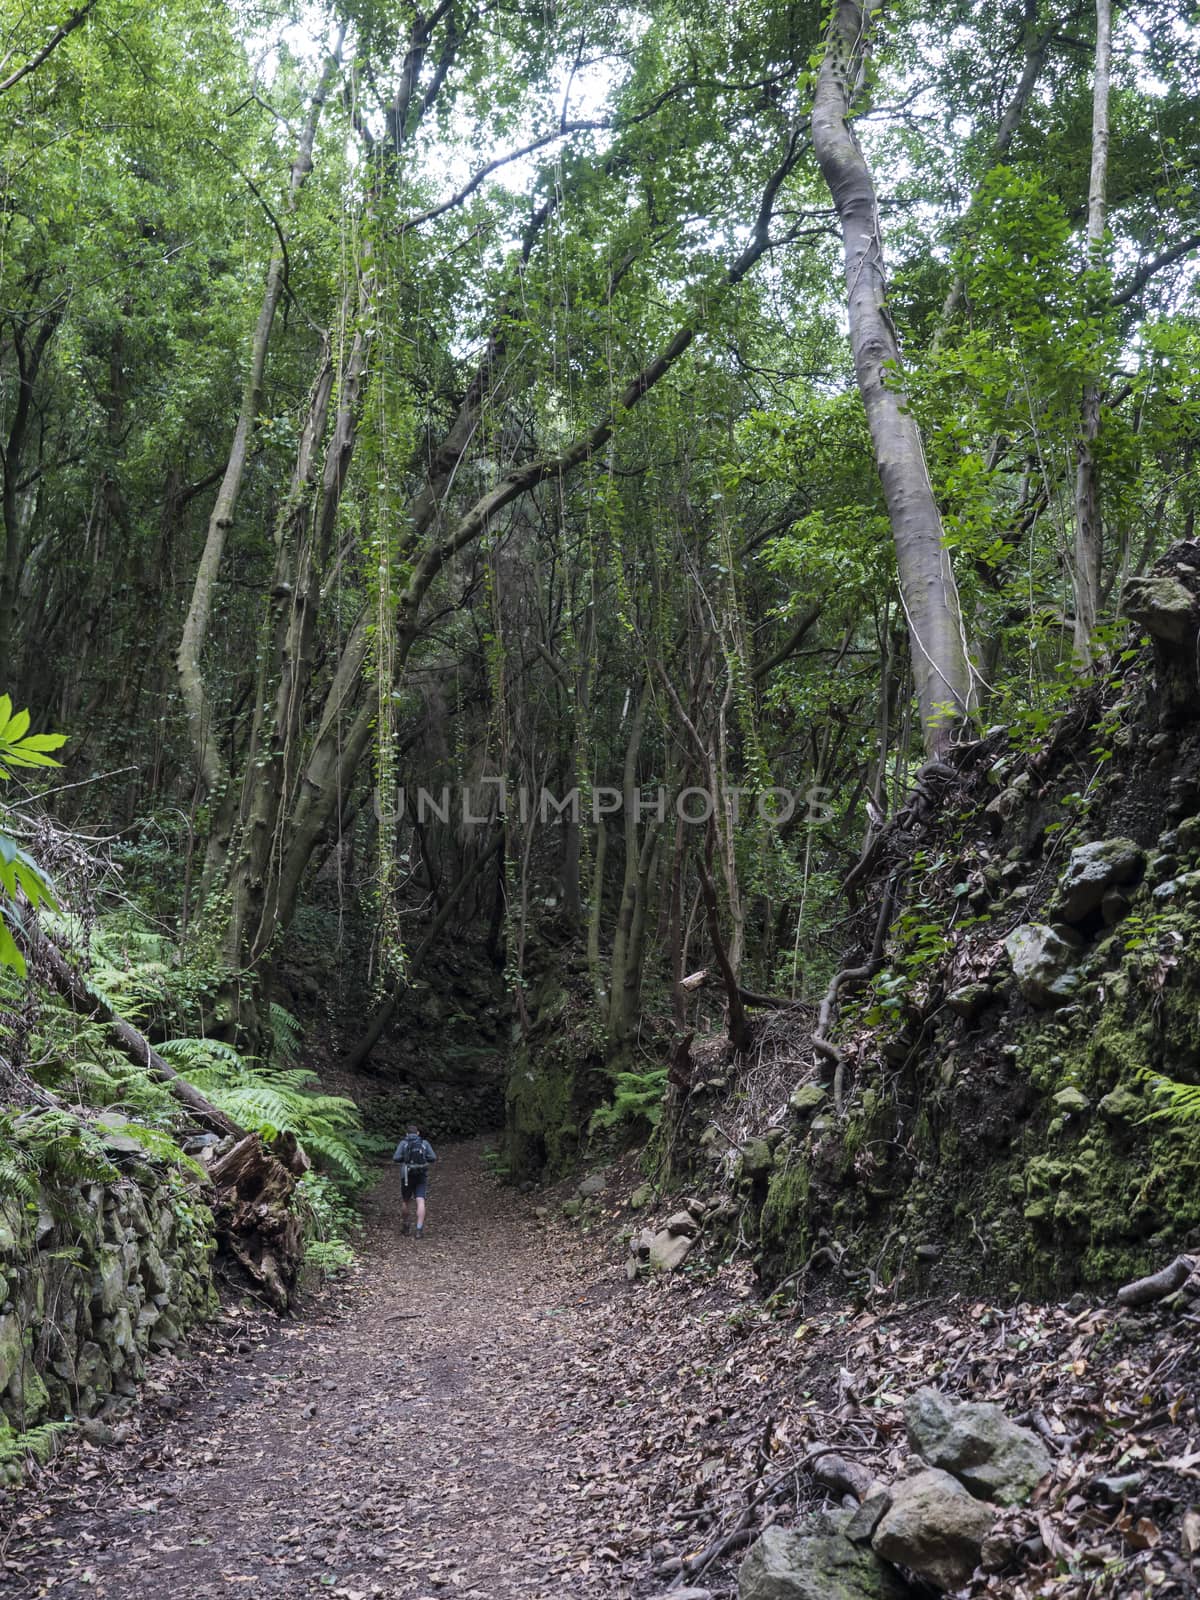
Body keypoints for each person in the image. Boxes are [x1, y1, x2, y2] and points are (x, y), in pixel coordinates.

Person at [392, 1125, 437, 1237]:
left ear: (407, 1134)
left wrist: (406, 1160)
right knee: (420, 1201)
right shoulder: (424, 1143)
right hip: (421, 1175)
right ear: (418, 1133)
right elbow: (433, 1158)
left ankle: (406, 1226)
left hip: (406, 1175)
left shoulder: (403, 1143)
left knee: (406, 1200)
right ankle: (419, 1230)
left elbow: (396, 1158)